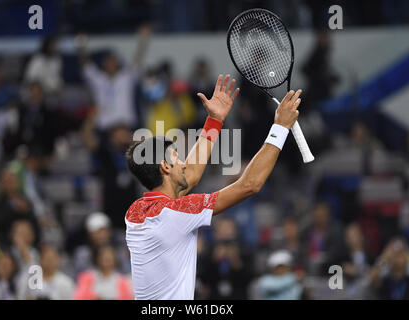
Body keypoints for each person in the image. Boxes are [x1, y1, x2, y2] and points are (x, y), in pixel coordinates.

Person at [125, 74, 302, 299]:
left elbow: (191, 175)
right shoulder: (177, 212)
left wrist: (214, 120)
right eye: (177, 158)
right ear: (165, 167)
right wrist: (280, 128)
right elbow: (250, 185)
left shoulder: (135, 213)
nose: (183, 164)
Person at [75, 26, 151, 130]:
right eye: (108, 61)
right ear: (103, 64)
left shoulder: (126, 77)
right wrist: (81, 45)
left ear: (117, 63)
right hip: (105, 127)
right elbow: (86, 66)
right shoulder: (99, 79)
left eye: (113, 61)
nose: (111, 64)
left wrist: (143, 41)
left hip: (125, 126)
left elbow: (137, 60)